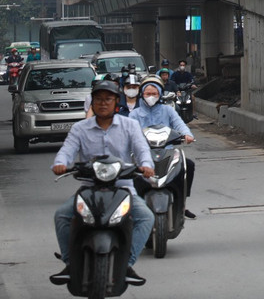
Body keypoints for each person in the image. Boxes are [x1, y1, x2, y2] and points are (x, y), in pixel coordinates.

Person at [50, 80, 154, 287]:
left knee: (146, 217)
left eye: (108, 99)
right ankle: (70, 264)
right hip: (89, 189)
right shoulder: (80, 128)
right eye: (98, 99)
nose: (103, 103)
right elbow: (67, 150)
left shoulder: (130, 125)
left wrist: (146, 165)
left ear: (116, 102)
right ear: (92, 103)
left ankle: (127, 264)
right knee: (61, 215)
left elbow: (142, 149)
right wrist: (60, 164)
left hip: (123, 188)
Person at [129, 76, 197, 196]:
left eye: (154, 93)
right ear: (142, 94)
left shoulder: (168, 110)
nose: (151, 96)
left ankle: (181, 200)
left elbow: (179, 124)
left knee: (188, 165)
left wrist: (187, 134)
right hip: (142, 154)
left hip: (167, 152)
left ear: (160, 94)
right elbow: (128, 132)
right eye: (148, 93)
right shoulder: (134, 114)